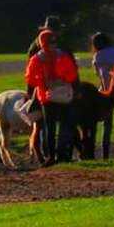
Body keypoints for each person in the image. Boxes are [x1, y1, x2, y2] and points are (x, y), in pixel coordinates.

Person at [24, 28, 79, 164]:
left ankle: (50, 156)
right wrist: (63, 81)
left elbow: (30, 79)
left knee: (49, 127)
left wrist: (41, 83)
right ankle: (62, 154)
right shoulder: (62, 56)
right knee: (65, 124)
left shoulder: (36, 59)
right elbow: (72, 74)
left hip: (46, 97)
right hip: (63, 96)